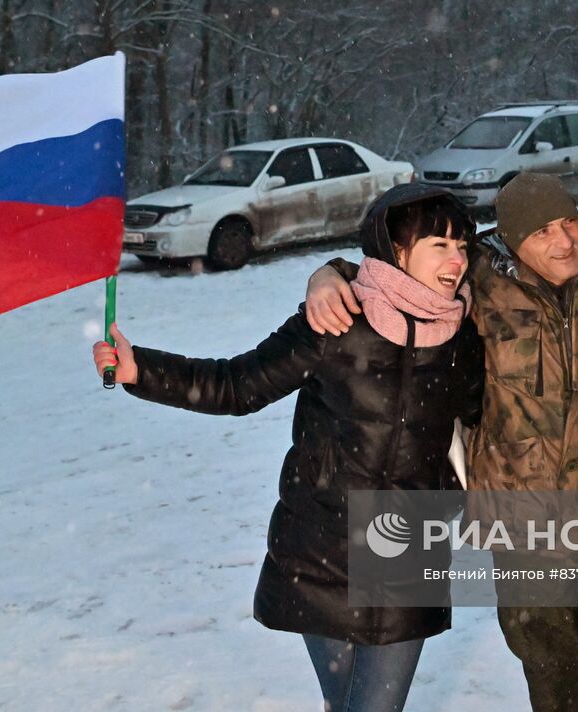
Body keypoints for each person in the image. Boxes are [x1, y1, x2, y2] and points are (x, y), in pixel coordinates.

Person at [91, 183, 484, 712]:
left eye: (461, 246)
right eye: (439, 245)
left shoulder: (462, 339)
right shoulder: (335, 321)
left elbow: (481, 417)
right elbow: (237, 385)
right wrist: (142, 369)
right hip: (322, 548)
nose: (456, 260)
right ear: (397, 250)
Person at [306, 173, 578, 712]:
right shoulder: (478, 284)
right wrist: (328, 275)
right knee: (551, 672)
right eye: (542, 231)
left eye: (568, 223)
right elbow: (394, 272)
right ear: (512, 239)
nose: (564, 241)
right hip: (520, 522)